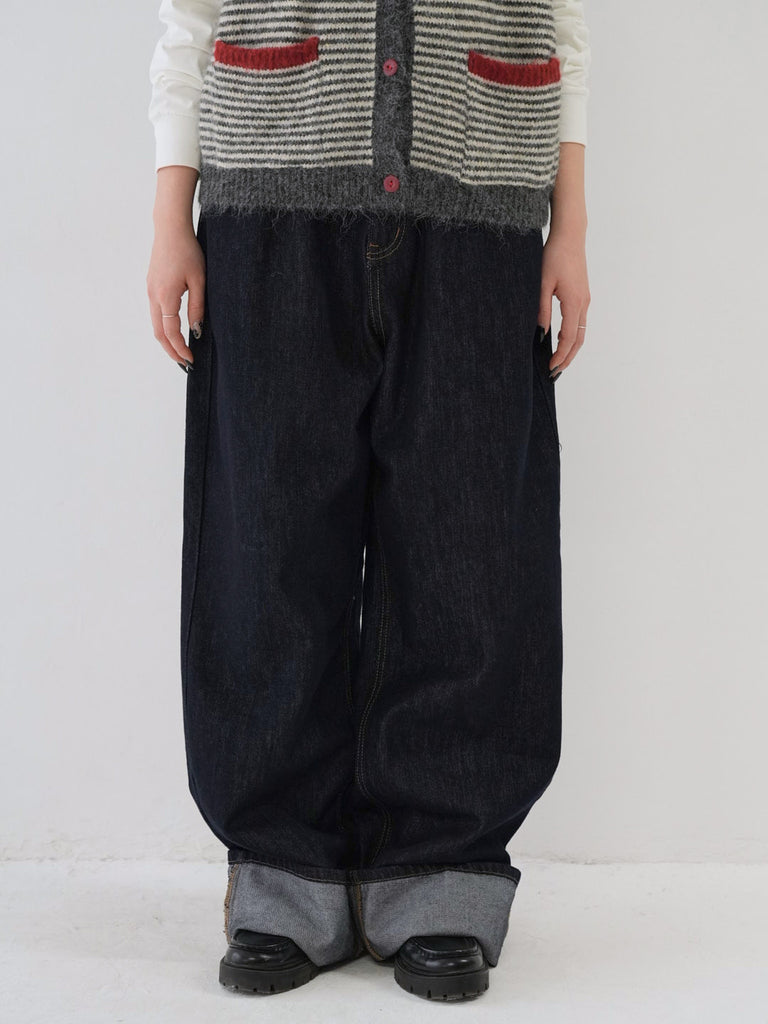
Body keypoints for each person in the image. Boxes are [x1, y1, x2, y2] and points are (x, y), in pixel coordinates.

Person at [146, 0, 591, 1002]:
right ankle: (282, 873)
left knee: (471, 543)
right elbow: (189, 21)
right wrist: (170, 215)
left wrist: (572, 226)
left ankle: (441, 872)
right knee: (268, 538)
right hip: (269, 194)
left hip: (483, 200)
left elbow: (563, 25)